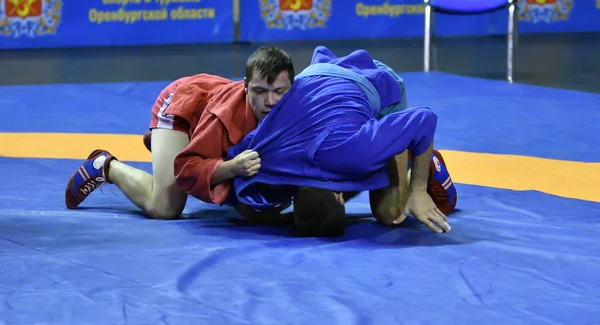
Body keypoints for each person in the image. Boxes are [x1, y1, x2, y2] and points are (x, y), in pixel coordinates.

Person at [225, 46, 457, 237]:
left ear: (340, 197)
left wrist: (418, 190)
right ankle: (392, 143)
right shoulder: (266, 155)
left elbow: (424, 119)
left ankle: (418, 158)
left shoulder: (355, 152)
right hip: (314, 74)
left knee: (390, 214)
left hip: (371, 77)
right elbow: (229, 163)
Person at [64, 46, 296, 220]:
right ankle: (105, 166)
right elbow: (187, 169)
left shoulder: (300, 107)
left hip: (208, 105)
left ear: (292, 89)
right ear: (246, 87)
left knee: (256, 214)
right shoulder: (222, 116)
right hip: (182, 105)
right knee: (165, 208)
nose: (270, 101)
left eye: (279, 92)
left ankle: (169, 148)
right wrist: (230, 168)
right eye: (259, 91)